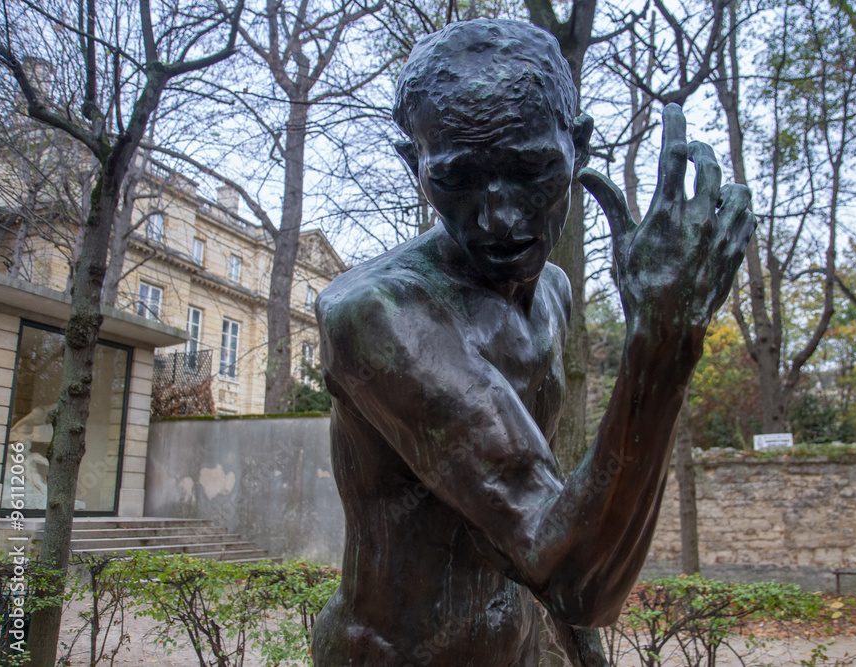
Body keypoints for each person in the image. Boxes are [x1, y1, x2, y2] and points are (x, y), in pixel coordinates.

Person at [311, 19, 756, 666]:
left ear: (577, 148)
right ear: (416, 163)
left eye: (532, 171)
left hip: (515, 646)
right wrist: (661, 340)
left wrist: (585, 654)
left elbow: (549, 506)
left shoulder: (552, 291)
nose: (499, 218)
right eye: (459, 179)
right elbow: (576, 575)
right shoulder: (380, 316)